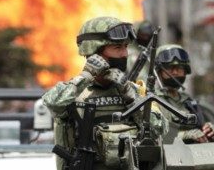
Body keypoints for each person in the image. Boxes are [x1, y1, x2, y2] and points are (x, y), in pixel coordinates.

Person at [42, 16, 167, 170]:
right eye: (117, 48)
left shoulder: (132, 91)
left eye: (125, 46)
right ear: (94, 52)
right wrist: (85, 77)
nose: (124, 54)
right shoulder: (73, 93)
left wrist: (129, 95)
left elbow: (160, 129)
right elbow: (52, 104)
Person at [154, 44, 214, 144]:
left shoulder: (189, 101)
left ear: (186, 71)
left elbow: (201, 130)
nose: (175, 72)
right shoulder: (152, 100)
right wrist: (184, 135)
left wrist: (208, 132)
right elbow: (154, 133)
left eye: (179, 68)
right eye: (169, 68)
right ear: (159, 71)